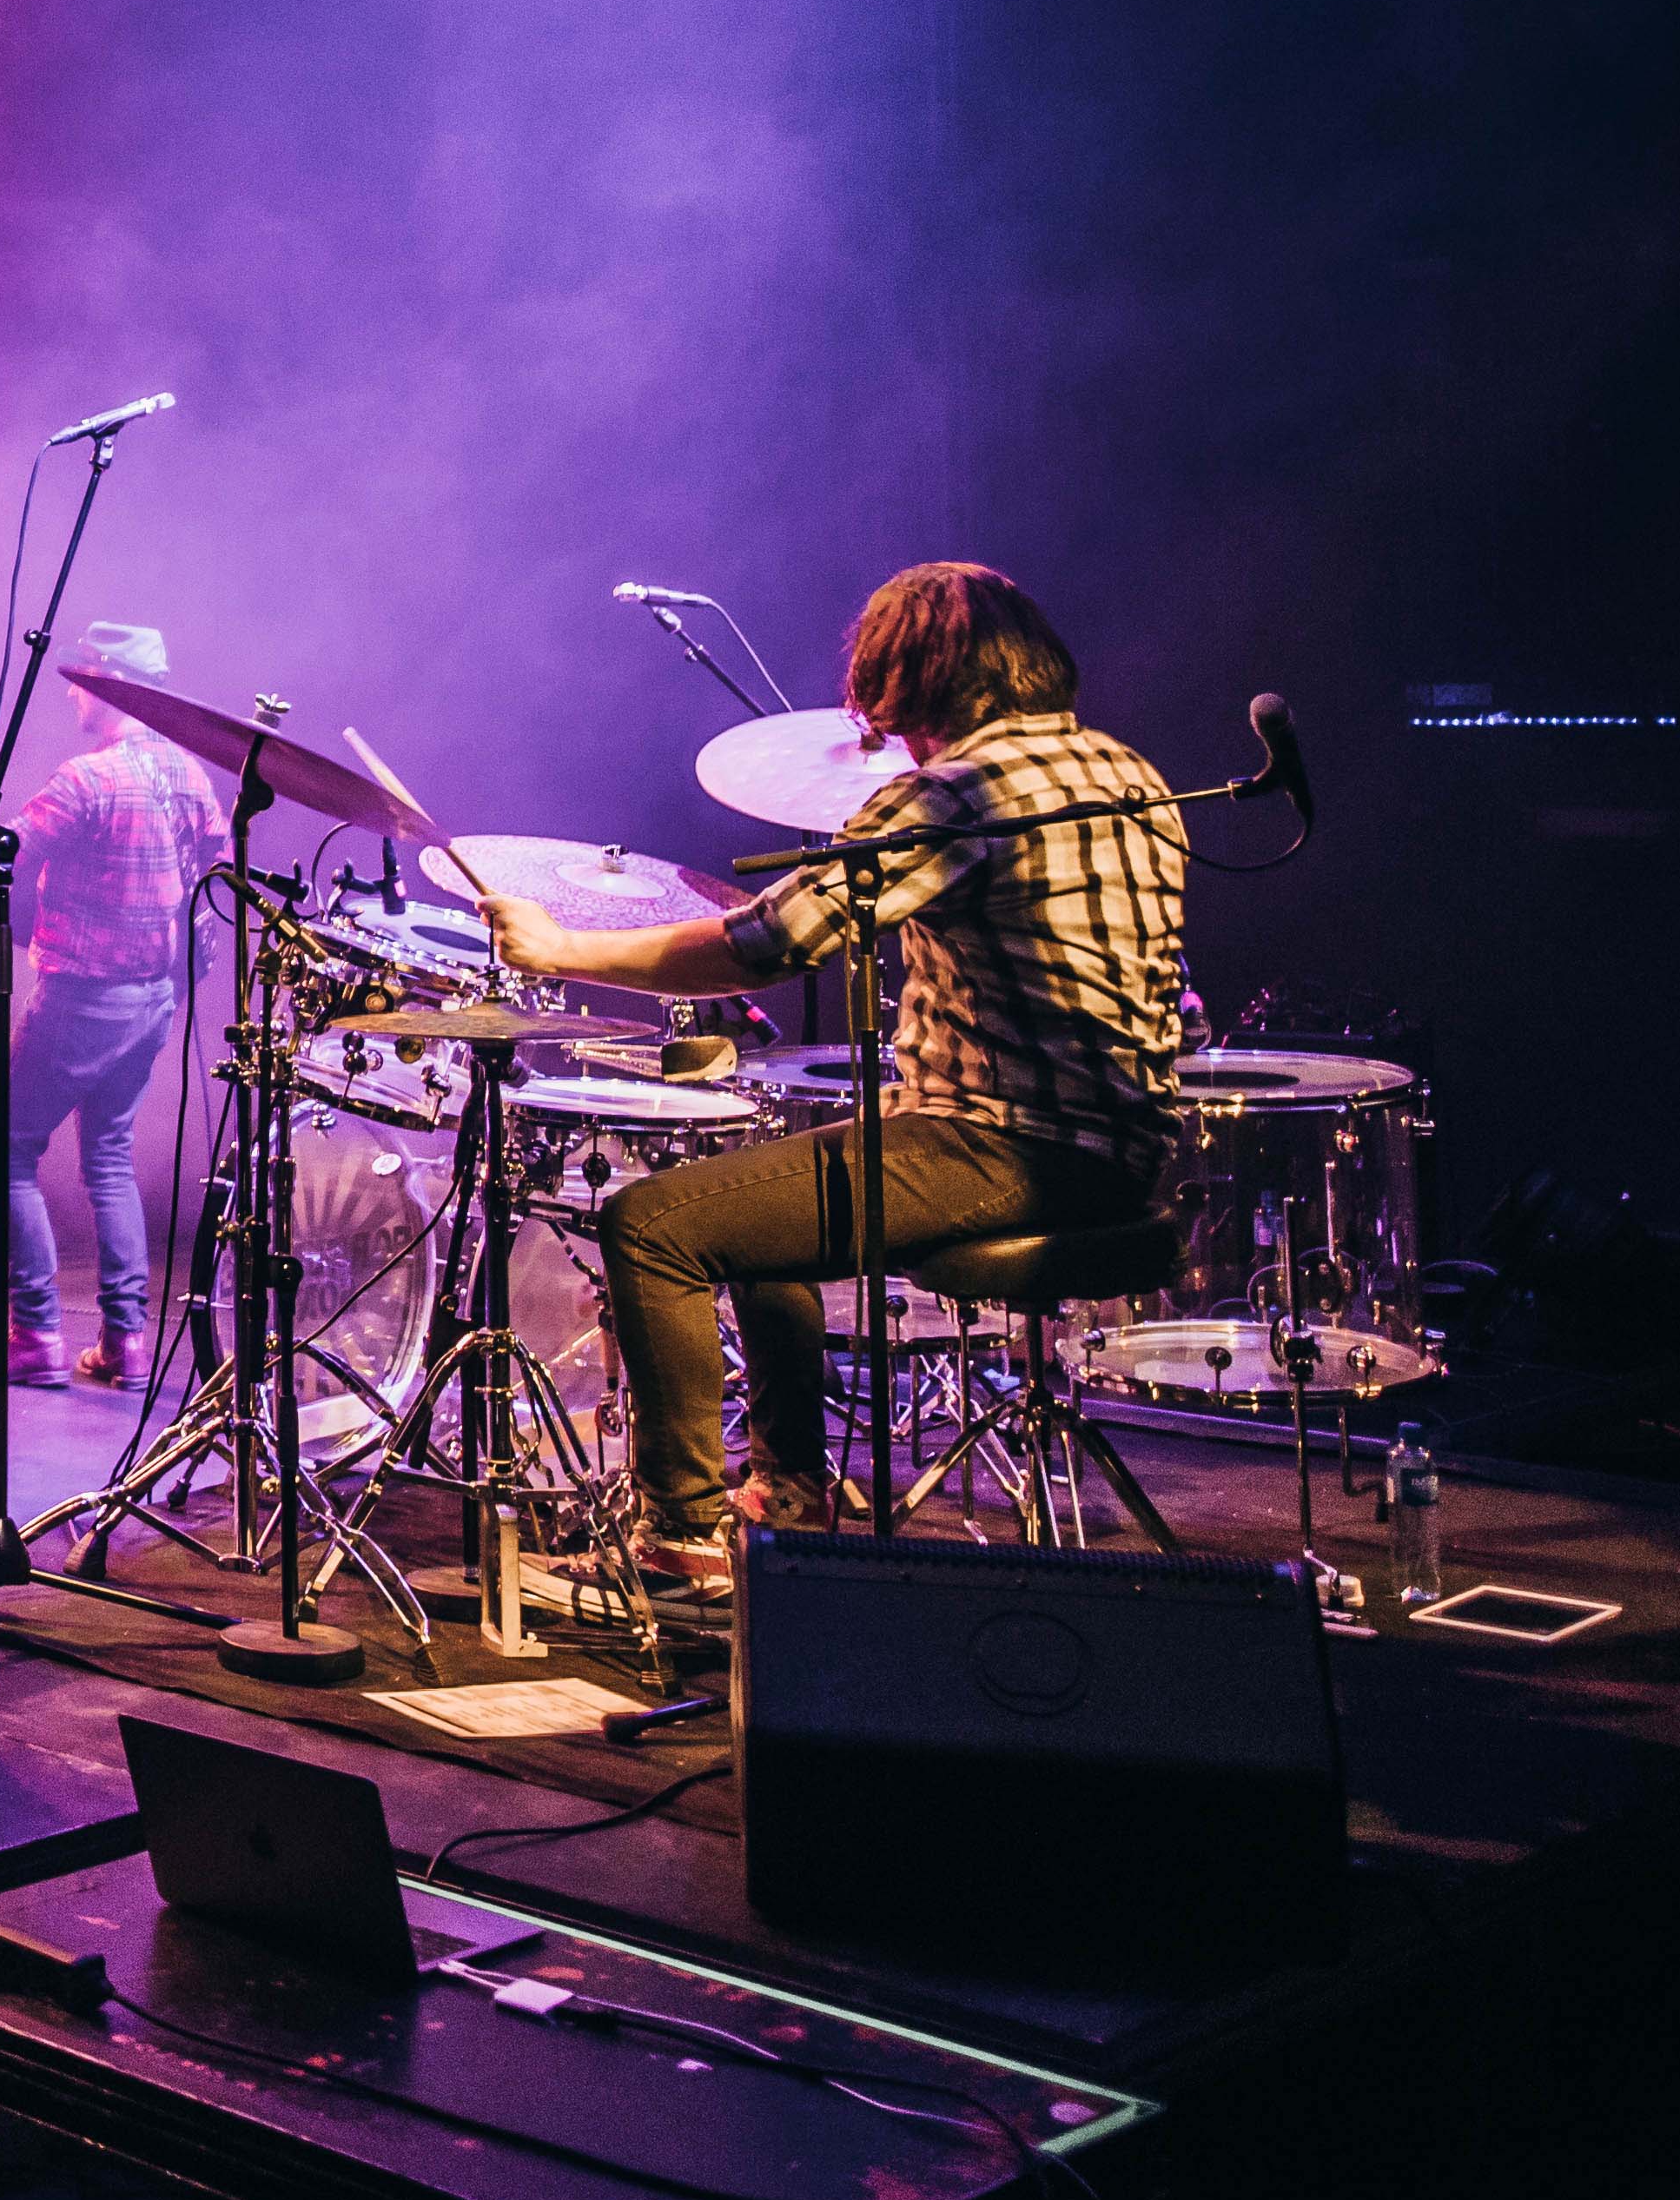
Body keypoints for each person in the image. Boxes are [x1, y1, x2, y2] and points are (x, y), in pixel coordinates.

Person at [481, 562, 1190, 1595]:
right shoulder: (1133, 772)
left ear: (914, 680)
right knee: (762, 1218)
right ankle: (790, 1494)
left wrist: (564, 947)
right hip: (1125, 1149)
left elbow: (764, 945)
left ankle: (679, 1539)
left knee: (654, 1223)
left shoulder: (953, 794)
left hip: (1006, 1143)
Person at [0, 626, 226, 1390]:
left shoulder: (85, 778)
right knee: (108, 1157)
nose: (71, 691)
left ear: (110, 686)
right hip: (154, 1001)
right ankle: (126, 1345)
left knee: (8, 1152)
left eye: (81, 679)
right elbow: (214, 868)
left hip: (81, 998)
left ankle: (34, 1337)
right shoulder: (190, 776)